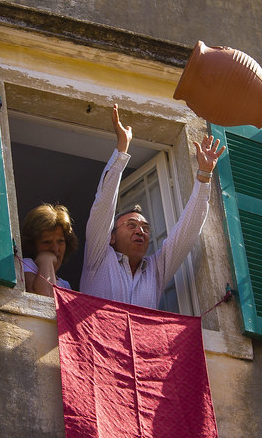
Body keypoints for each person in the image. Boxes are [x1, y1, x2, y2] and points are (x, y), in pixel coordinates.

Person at [81, 104, 225, 309]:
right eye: (131, 225)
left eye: (145, 228)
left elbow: (187, 234)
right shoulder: (98, 255)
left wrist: (204, 176)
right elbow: (103, 205)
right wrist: (122, 149)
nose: (140, 231)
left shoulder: (155, 270)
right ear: (111, 237)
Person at [21, 203, 80, 297]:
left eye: (60, 241)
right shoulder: (25, 264)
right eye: (46, 242)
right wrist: (46, 260)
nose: (55, 249)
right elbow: (45, 298)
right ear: (32, 245)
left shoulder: (65, 285)